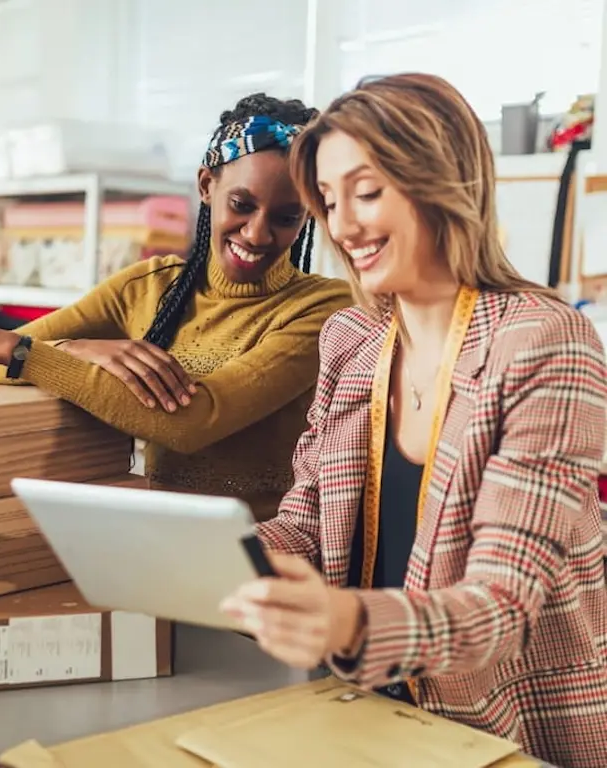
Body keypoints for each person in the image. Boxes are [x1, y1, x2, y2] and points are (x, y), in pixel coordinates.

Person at [221, 74, 607, 767]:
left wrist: (345, 622)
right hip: (367, 710)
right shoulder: (351, 341)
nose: (343, 226)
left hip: (504, 729)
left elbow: (500, 607)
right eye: (330, 202)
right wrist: (223, 553)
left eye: (366, 192)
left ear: (441, 180)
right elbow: (307, 524)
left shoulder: (543, 341)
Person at [0, 94, 352, 521]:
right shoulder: (150, 285)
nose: (256, 234)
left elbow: (195, 421)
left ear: (308, 216)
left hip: (267, 562)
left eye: (286, 217)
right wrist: (77, 349)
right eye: (241, 204)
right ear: (206, 186)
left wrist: (23, 351)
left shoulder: (322, 309)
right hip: (157, 549)